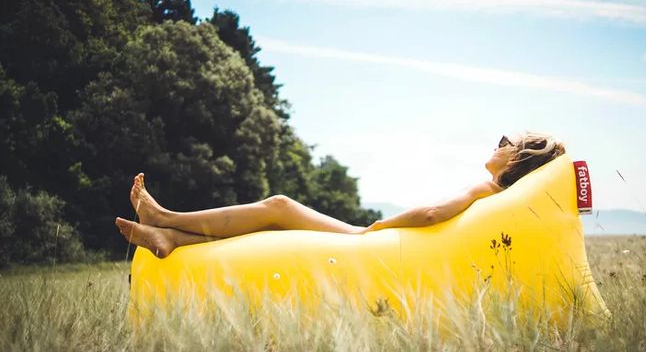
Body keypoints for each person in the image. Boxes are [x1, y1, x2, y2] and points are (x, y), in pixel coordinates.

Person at [115, 131, 566, 258]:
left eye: (508, 141)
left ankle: (166, 217)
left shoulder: (484, 188)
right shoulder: (498, 200)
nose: (499, 142)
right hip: (382, 246)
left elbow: (431, 214)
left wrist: (379, 227)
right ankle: (171, 238)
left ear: (516, 160)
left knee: (278, 207)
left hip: (374, 245)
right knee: (273, 219)